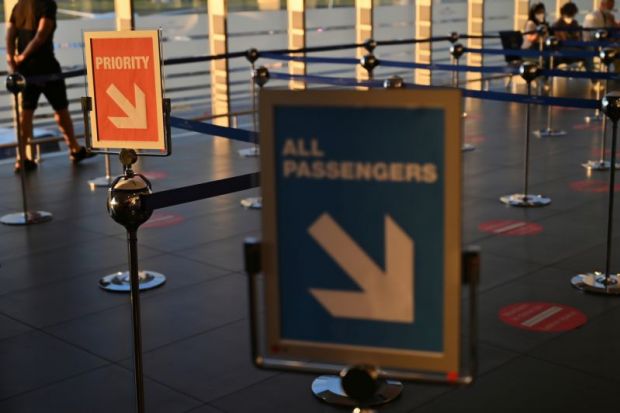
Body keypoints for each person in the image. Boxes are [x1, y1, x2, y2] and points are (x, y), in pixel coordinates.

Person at [5, 0, 95, 173]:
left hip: (26, 71)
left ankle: (22, 158)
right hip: (46, 66)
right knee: (61, 108)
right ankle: (74, 149)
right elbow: (41, 35)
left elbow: (10, 33)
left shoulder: (19, 6)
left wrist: (12, 58)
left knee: (26, 112)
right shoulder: (47, 4)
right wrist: (22, 56)